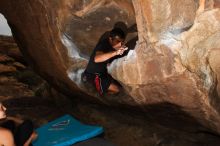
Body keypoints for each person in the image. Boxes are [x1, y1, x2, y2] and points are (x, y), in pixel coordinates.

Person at [82, 28, 128, 95]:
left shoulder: (112, 44)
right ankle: (100, 94)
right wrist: (116, 52)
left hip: (103, 73)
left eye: (122, 42)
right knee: (117, 89)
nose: (120, 44)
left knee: (120, 83)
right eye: (118, 41)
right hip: (94, 76)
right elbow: (97, 59)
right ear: (110, 39)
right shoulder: (103, 45)